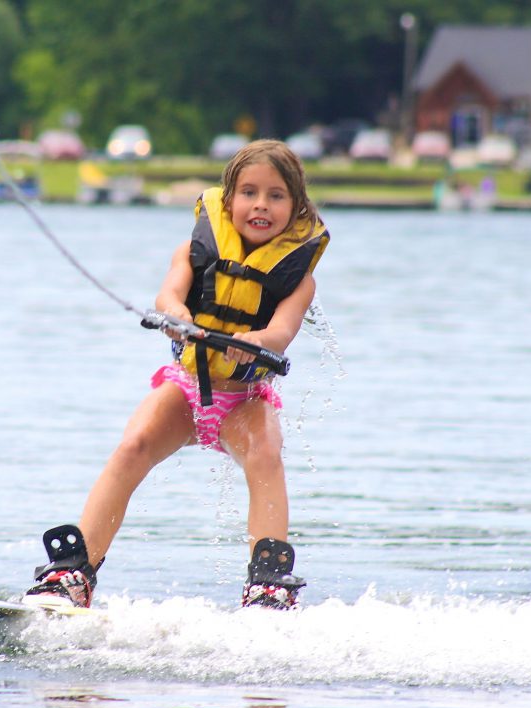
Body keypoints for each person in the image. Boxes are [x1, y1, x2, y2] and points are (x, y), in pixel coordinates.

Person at [24, 140, 330, 610]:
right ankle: (74, 575)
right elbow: (168, 297)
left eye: (276, 195)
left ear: (297, 206)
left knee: (265, 454)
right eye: (249, 192)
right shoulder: (193, 250)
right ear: (228, 201)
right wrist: (177, 318)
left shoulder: (298, 278)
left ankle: (267, 583)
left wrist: (255, 341)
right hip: (186, 389)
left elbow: (282, 332)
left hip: (245, 398)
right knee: (133, 446)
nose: (261, 205)